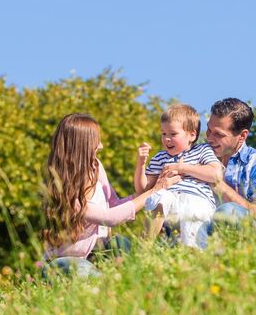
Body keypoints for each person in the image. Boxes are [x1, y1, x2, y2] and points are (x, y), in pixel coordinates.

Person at [41, 113, 181, 277]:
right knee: (84, 272)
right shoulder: (65, 190)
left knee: (122, 243)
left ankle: (144, 277)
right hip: (65, 262)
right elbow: (110, 218)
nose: (100, 146)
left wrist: (148, 190)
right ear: (82, 146)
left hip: (95, 252)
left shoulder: (95, 166)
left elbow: (114, 203)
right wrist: (155, 190)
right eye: (96, 141)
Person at [134, 104, 224, 249]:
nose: (166, 139)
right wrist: (141, 163)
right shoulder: (160, 157)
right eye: (163, 134)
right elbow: (143, 190)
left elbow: (216, 174)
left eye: (173, 134)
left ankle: (192, 250)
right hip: (169, 204)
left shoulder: (202, 150)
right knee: (160, 197)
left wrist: (182, 168)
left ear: (192, 135)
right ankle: (145, 248)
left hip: (196, 199)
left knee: (192, 210)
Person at [205, 98, 256, 232]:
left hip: (242, 240)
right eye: (209, 130)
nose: (209, 138)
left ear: (242, 136)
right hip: (197, 226)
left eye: (218, 134)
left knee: (228, 212)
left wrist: (220, 187)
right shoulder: (198, 154)